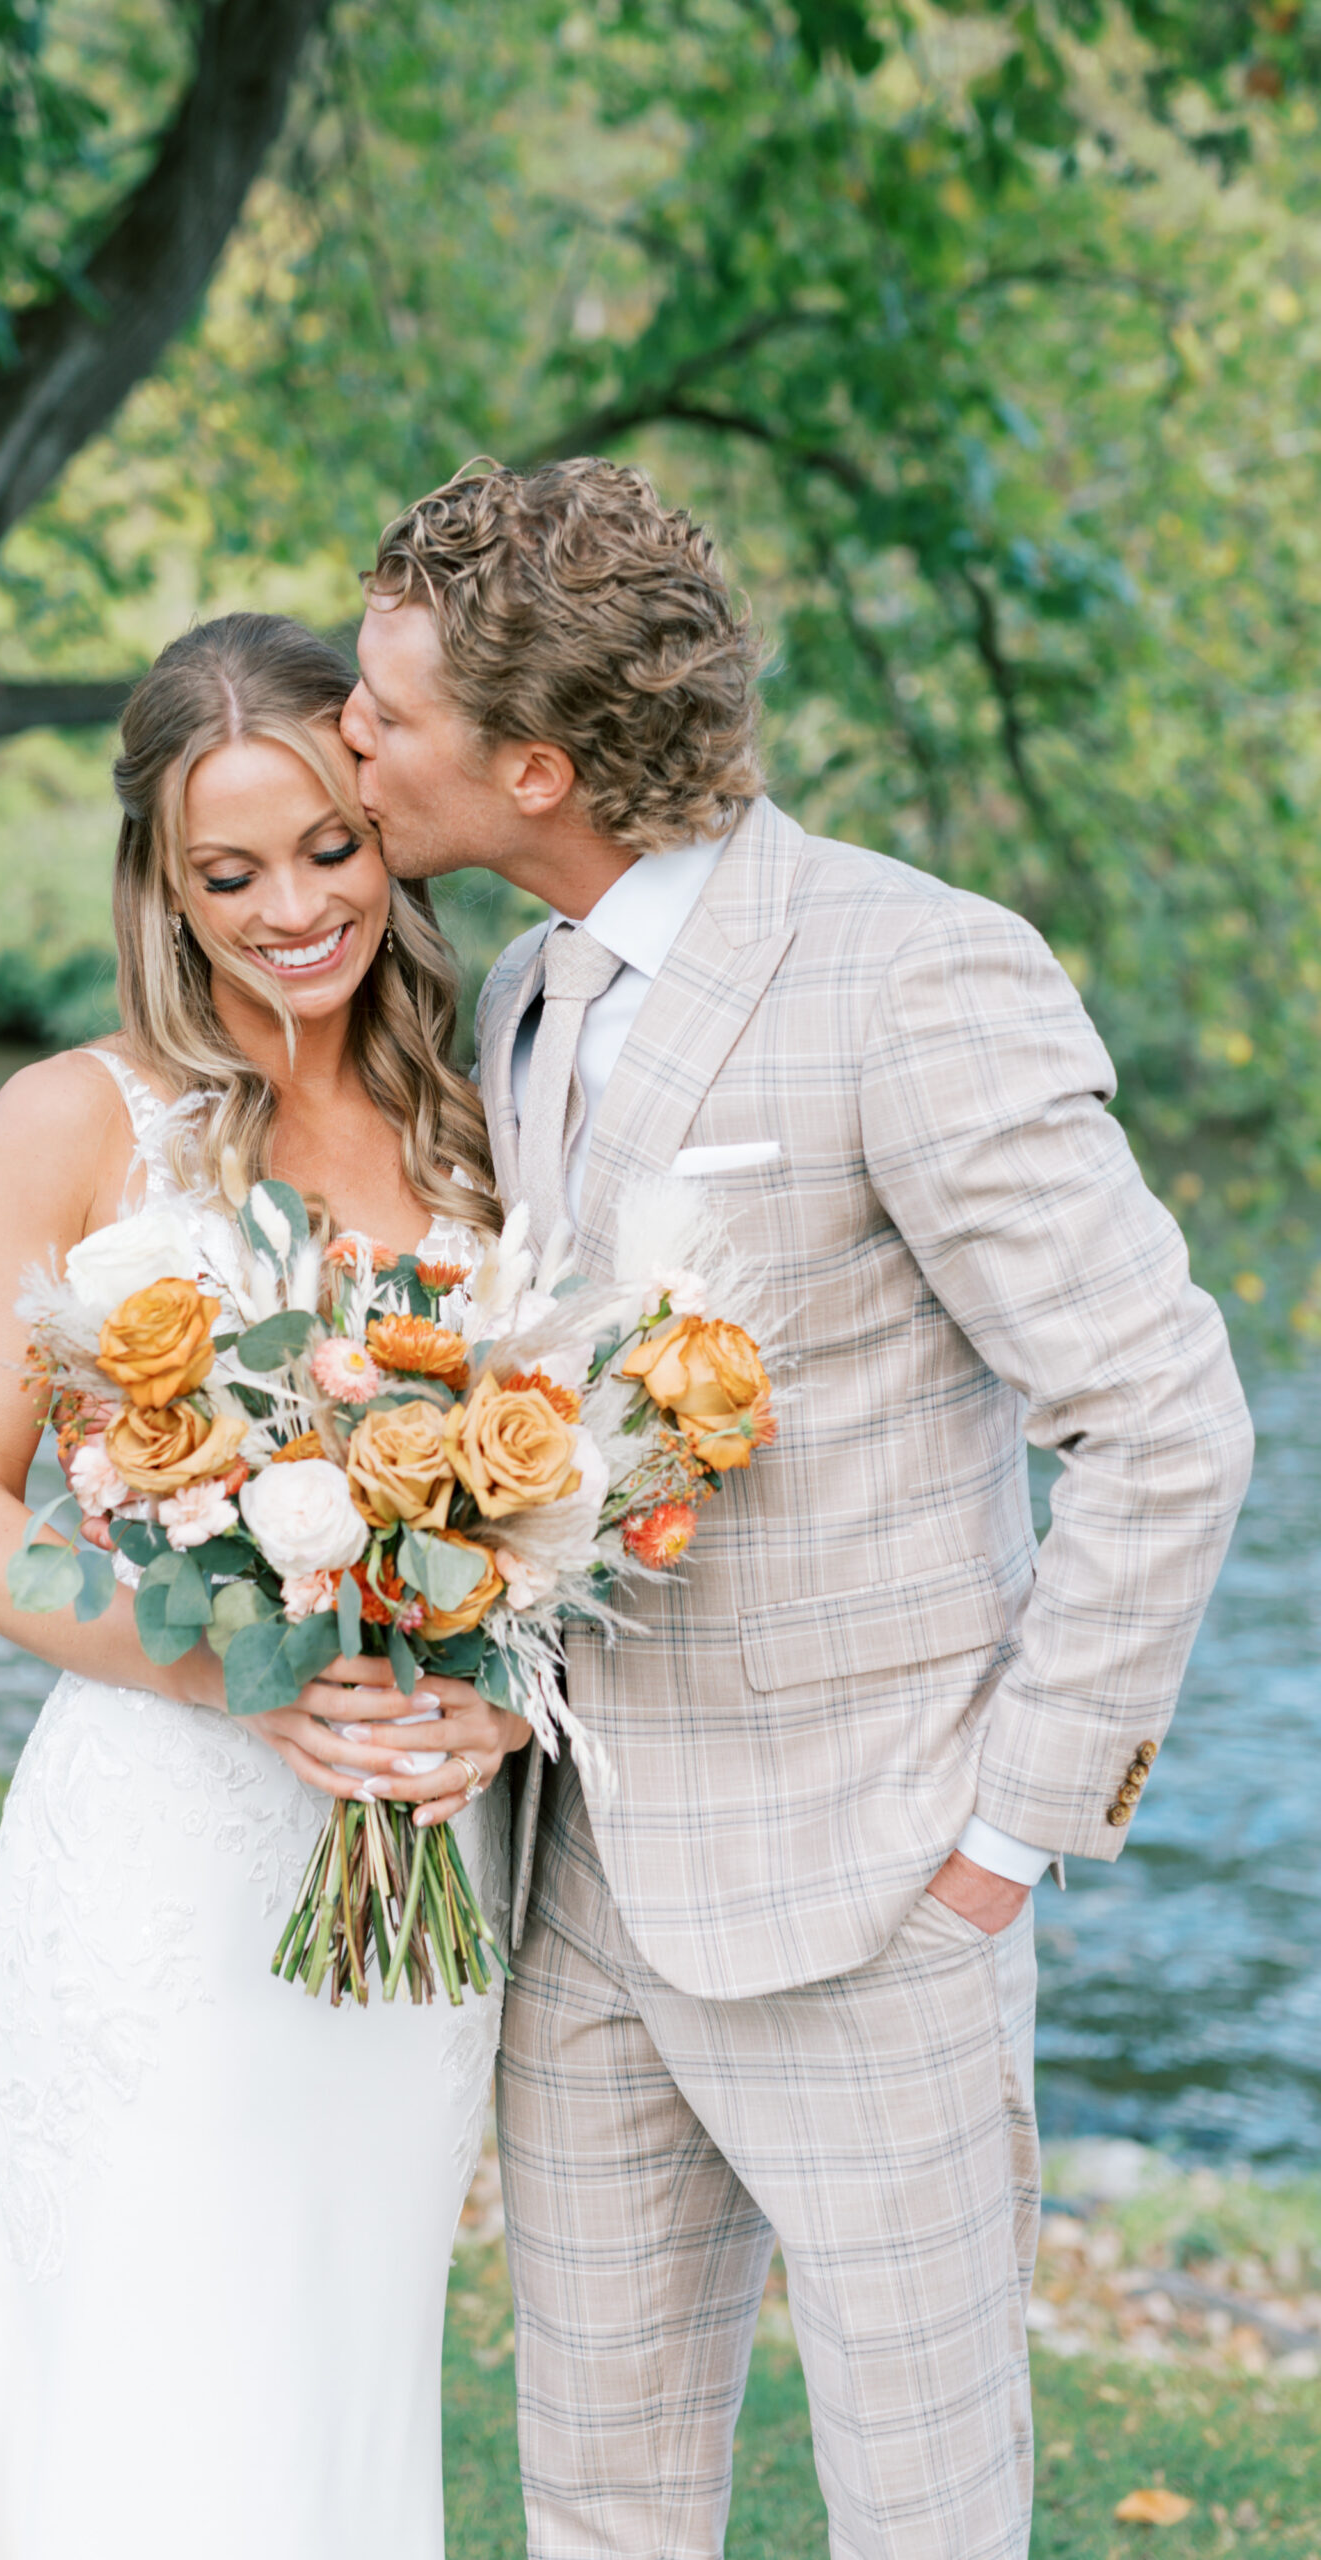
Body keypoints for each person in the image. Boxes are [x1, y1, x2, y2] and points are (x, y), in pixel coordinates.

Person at [342, 458, 1255, 2560]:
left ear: (540, 763)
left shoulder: (913, 973)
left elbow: (1164, 1418)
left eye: (387, 716)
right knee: (598, 2498)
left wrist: (1003, 1844)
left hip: (875, 1889)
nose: (350, 739)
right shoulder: (522, 987)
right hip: (581, 1894)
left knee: (922, 2509)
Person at [0, 613, 531, 2560]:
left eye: (329, 849)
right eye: (228, 872)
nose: (289, 911)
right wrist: (234, 1674)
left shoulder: (492, 1116)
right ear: (163, 885)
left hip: (414, 1859)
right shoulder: (76, 1120)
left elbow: (566, 1478)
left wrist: (496, 1687)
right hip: (165, 1846)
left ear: (391, 824)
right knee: (140, 2385)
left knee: (334, 2382)